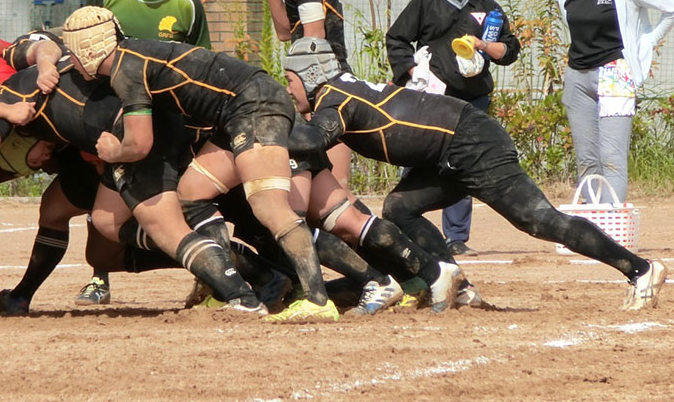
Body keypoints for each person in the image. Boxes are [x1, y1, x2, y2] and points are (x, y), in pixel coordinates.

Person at [284, 40, 667, 311]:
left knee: (539, 220)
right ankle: (457, 286)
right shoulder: (340, 91)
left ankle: (641, 270)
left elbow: (312, 139)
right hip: (450, 149)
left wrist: (268, 132)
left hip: (470, 142)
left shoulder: (334, 98)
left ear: (310, 74)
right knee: (399, 207)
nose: (288, 89)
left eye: (289, 79)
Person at [62, 6, 339, 322]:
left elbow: (139, 144)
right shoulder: (133, 55)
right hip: (238, 110)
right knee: (191, 193)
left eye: (73, 53)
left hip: (253, 105)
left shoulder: (126, 69)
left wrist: (113, 152)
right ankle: (224, 287)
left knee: (269, 206)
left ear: (88, 49)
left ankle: (317, 300)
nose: (72, 62)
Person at [77, 0, 212, 305]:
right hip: (112, 113)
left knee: (176, 200)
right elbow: (84, 49)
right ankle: (98, 276)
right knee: (101, 194)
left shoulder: (187, 4)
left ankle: (206, 268)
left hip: (167, 121)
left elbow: (199, 65)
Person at [387, 0, 520, 256]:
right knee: (416, 157)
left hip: (471, 101)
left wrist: (486, 46)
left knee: (463, 165)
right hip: (429, 98)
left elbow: (510, 48)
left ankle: (456, 237)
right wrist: (411, 72)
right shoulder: (426, 2)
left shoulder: (487, 7)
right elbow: (397, 39)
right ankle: (404, 225)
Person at [231, 0, 361, 222]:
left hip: (326, 84)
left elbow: (314, 36)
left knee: (336, 191)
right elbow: (285, 33)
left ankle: (381, 244)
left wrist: (307, 92)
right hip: (321, 82)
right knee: (330, 191)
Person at [557, 0, 674, 203]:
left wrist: (647, 42)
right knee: (586, 158)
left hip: (615, 73)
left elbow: (670, 8)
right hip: (577, 77)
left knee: (611, 157)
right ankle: (592, 221)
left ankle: (611, 223)